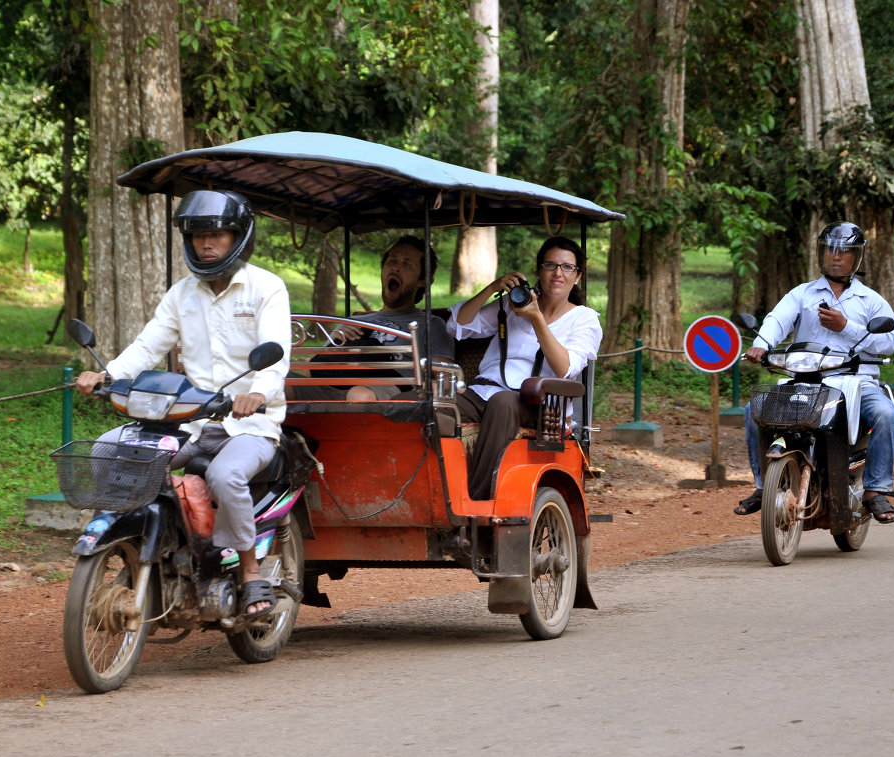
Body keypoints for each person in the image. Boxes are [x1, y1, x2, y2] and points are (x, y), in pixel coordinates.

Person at [76, 189, 292, 617]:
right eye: (196, 235)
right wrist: (108, 375)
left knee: (226, 475)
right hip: (190, 423)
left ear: (239, 237)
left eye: (217, 234)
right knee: (108, 448)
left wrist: (257, 393)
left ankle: (249, 571)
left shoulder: (267, 288)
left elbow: (275, 353)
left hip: (250, 426)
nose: (206, 243)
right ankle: (138, 548)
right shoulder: (182, 295)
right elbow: (147, 345)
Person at [734, 221, 894, 523]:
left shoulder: (870, 300)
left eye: (843, 252)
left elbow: (890, 342)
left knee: (886, 414)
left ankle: (876, 490)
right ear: (820, 254)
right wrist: (761, 344)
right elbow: (777, 319)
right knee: (752, 411)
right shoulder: (802, 294)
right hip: (804, 381)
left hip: (856, 383)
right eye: (829, 251)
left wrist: (845, 327)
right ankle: (763, 486)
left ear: (856, 257)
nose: (835, 257)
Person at [447, 235, 603, 500]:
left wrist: (536, 318)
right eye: (550, 265)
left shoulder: (585, 319)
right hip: (483, 393)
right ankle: (437, 490)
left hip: (539, 404)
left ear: (577, 276)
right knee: (434, 406)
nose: (558, 273)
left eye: (567, 267)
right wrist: (492, 288)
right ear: (539, 271)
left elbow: (564, 368)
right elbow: (458, 325)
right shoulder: (513, 304)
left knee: (503, 403)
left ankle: (477, 501)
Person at [291, 235, 454, 401]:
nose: (395, 268)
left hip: (385, 387)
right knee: (281, 384)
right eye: (392, 261)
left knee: (359, 395)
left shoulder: (431, 324)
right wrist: (333, 343)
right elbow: (309, 372)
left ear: (423, 281)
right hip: (332, 384)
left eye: (406, 264)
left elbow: (443, 378)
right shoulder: (353, 323)